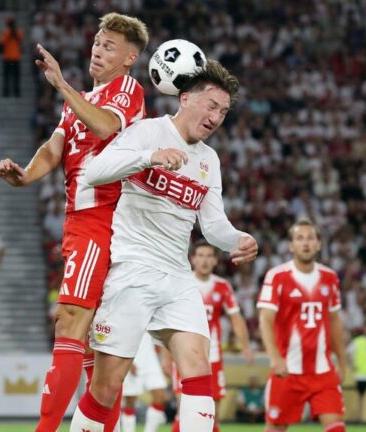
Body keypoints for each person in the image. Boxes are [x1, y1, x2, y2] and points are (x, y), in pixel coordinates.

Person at [70, 60, 258, 432]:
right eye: (211, 105)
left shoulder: (209, 160)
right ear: (185, 98)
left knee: (197, 367)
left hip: (177, 277)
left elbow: (213, 224)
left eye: (223, 111)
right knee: (107, 387)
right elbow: (92, 173)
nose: (217, 116)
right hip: (132, 270)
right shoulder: (147, 133)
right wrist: (148, 158)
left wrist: (238, 238)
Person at [0, 12, 149, 432]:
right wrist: (26, 174)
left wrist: (61, 85)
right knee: (96, 349)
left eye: (110, 46)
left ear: (129, 58)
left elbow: (101, 128)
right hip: (80, 223)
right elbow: (55, 146)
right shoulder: (81, 99)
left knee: (69, 320)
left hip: (101, 220)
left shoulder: (127, 91)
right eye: (98, 43)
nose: (98, 50)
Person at [257, 218, 347, 432]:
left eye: (310, 238)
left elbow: (334, 321)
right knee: (275, 429)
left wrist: (342, 361)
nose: (305, 243)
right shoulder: (277, 276)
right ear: (291, 246)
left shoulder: (330, 277)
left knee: (336, 428)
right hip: (287, 370)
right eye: (299, 238)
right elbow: (265, 319)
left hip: (322, 371)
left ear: (319, 244)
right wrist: (275, 358)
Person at [171, 240, 254, 431]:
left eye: (209, 256)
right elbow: (170, 321)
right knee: (184, 411)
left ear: (216, 261)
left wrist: (246, 347)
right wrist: (166, 355)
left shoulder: (222, 286)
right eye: (200, 256)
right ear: (192, 259)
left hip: (213, 356)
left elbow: (236, 318)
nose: (204, 261)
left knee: (211, 415)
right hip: (184, 355)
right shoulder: (182, 283)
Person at [120, 334, 167, 432]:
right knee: (130, 401)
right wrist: (128, 361)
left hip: (150, 356)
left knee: (160, 396)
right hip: (132, 356)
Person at [0, 16, 23, 97]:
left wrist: (13, 32)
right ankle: (6, 92)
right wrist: (10, 33)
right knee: (6, 77)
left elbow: (20, 37)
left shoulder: (17, 31)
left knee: (16, 77)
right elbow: (1, 41)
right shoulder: (6, 32)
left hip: (15, 57)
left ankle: (17, 92)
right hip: (7, 57)